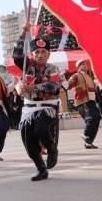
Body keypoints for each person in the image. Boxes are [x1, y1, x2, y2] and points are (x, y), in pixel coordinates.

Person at [13, 23, 61, 181]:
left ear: (48, 54)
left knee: (41, 128)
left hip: (47, 107)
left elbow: (53, 86)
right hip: (29, 108)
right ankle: (41, 168)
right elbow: (17, 55)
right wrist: (23, 33)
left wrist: (31, 87)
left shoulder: (52, 68)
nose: (40, 55)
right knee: (27, 140)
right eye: (37, 52)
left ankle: (52, 149)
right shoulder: (27, 66)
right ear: (33, 54)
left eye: (43, 52)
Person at [67, 59, 101, 149]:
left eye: (85, 64)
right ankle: (85, 134)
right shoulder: (76, 76)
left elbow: (93, 87)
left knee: (97, 118)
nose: (85, 65)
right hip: (83, 100)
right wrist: (63, 80)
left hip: (91, 101)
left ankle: (89, 142)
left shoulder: (89, 76)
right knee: (91, 118)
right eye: (82, 64)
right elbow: (68, 86)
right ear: (78, 67)